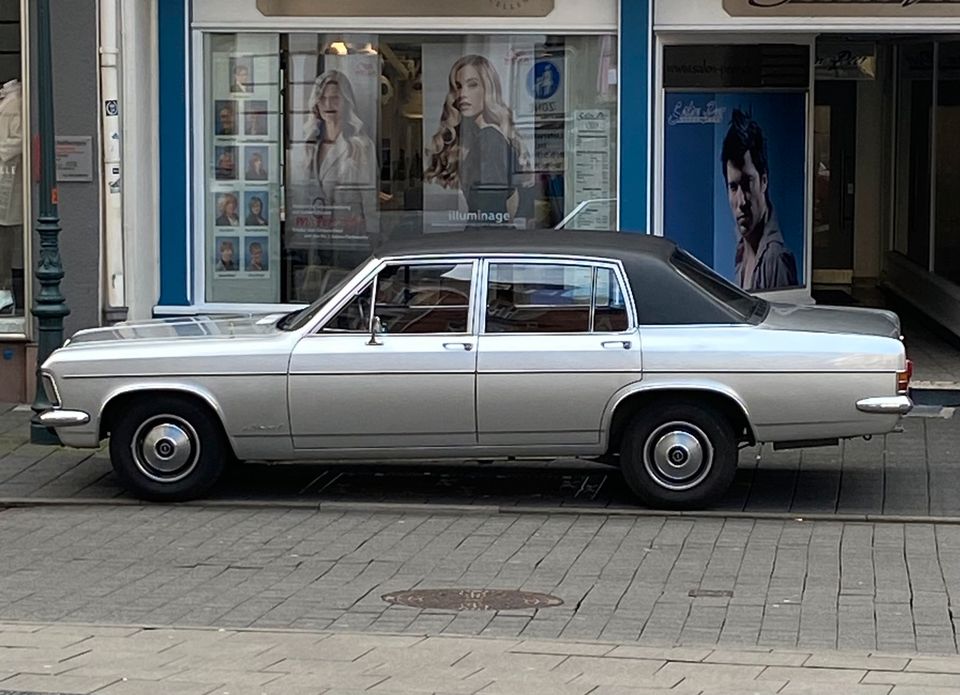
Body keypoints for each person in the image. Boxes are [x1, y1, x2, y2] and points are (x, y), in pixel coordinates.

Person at [425, 54, 533, 226]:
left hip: (486, 241)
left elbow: (491, 211)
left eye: (472, 85)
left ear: (488, 89)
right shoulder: (480, 139)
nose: (462, 94)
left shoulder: (490, 139)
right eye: (458, 87)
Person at [721, 108, 798, 291]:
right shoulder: (742, 249)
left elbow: (781, 318)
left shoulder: (775, 259)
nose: (741, 201)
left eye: (747, 183)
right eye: (733, 187)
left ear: (764, 181)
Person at [303, 70, 377, 213]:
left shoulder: (362, 146)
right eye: (322, 98)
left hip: (349, 231)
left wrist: (372, 232)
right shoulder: (308, 146)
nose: (328, 104)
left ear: (347, 102)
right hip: (313, 231)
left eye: (335, 98)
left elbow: (370, 199)